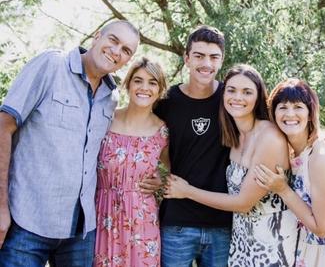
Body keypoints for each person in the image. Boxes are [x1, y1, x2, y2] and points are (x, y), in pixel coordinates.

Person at [0, 20, 140, 266]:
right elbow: (4, 125)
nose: (117, 51)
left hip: (80, 232)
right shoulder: (51, 65)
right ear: (97, 36)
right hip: (27, 222)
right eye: (113, 40)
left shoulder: (111, 98)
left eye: (126, 50)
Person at [164, 64, 298, 266]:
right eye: (232, 90)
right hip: (240, 240)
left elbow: (243, 202)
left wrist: (187, 191)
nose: (238, 97)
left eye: (247, 92)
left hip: (269, 243)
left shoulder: (269, 136)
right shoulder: (233, 136)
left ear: (258, 97)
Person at [254, 78, 325, 266]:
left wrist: (282, 189)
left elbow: (322, 229)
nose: (290, 114)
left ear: (310, 112)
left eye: (298, 106)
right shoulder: (294, 155)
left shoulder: (321, 156)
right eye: (282, 107)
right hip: (307, 250)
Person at [154, 25, 232, 267]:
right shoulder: (166, 102)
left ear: (221, 60)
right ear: (186, 58)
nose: (206, 63)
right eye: (198, 56)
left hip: (223, 224)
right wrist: (155, 175)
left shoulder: (232, 99)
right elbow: (147, 142)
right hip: (177, 222)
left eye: (213, 57)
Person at [93, 57, 169, 267]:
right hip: (101, 214)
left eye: (152, 82)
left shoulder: (162, 131)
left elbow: (176, 170)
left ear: (160, 89)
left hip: (142, 220)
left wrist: (160, 180)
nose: (144, 87)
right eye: (138, 80)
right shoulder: (105, 118)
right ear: (128, 84)